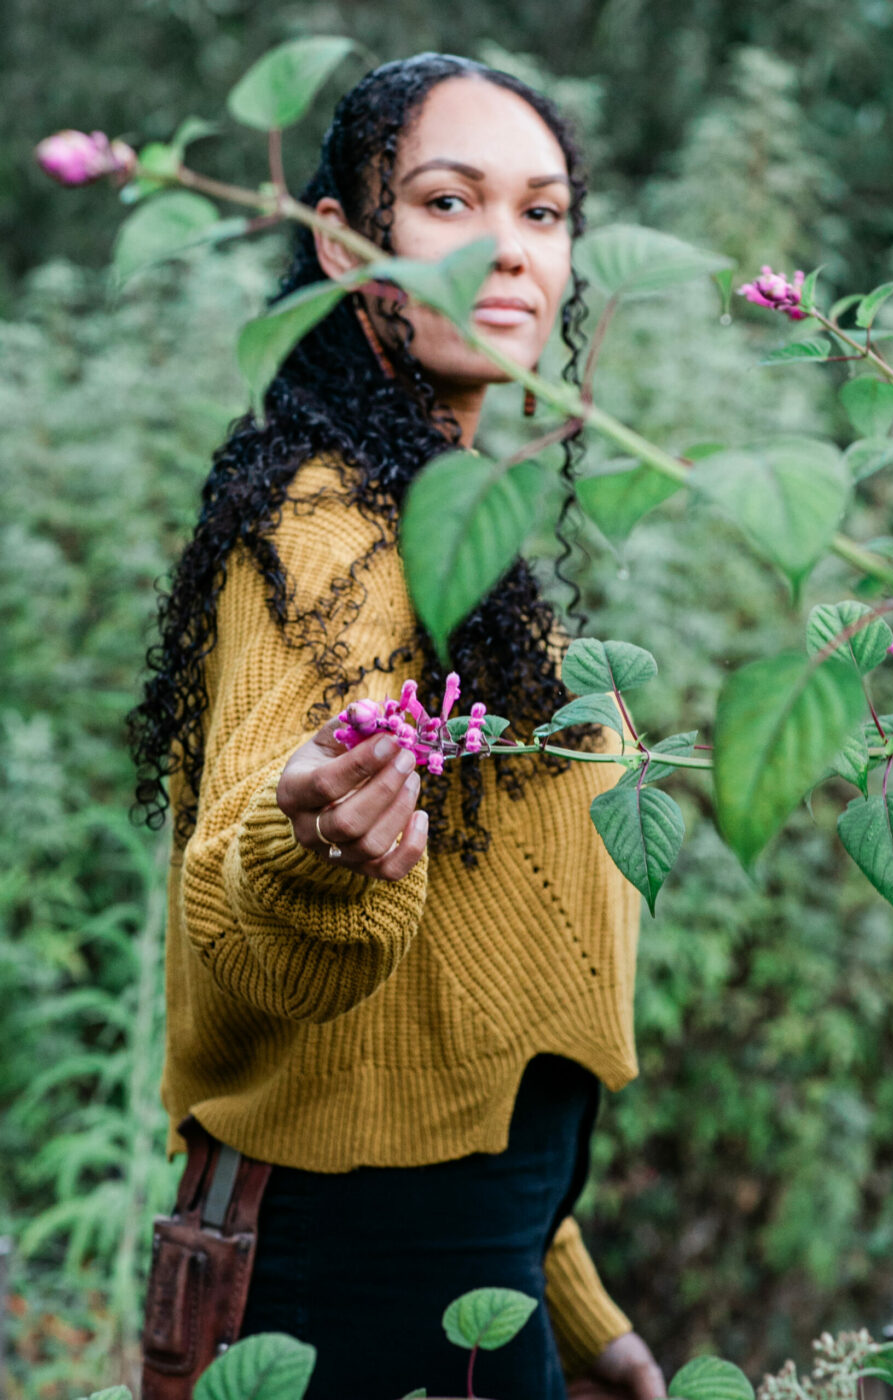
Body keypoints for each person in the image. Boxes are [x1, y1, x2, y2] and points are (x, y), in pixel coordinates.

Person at [129, 50, 667, 1400]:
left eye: (542, 213)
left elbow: (468, 1015)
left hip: (463, 1267)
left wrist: (566, 1300)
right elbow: (237, 912)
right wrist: (310, 853)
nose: (507, 250)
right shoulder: (325, 533)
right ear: (342, 241)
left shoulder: (436, 521)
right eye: (446, 202)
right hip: (359, 1286)